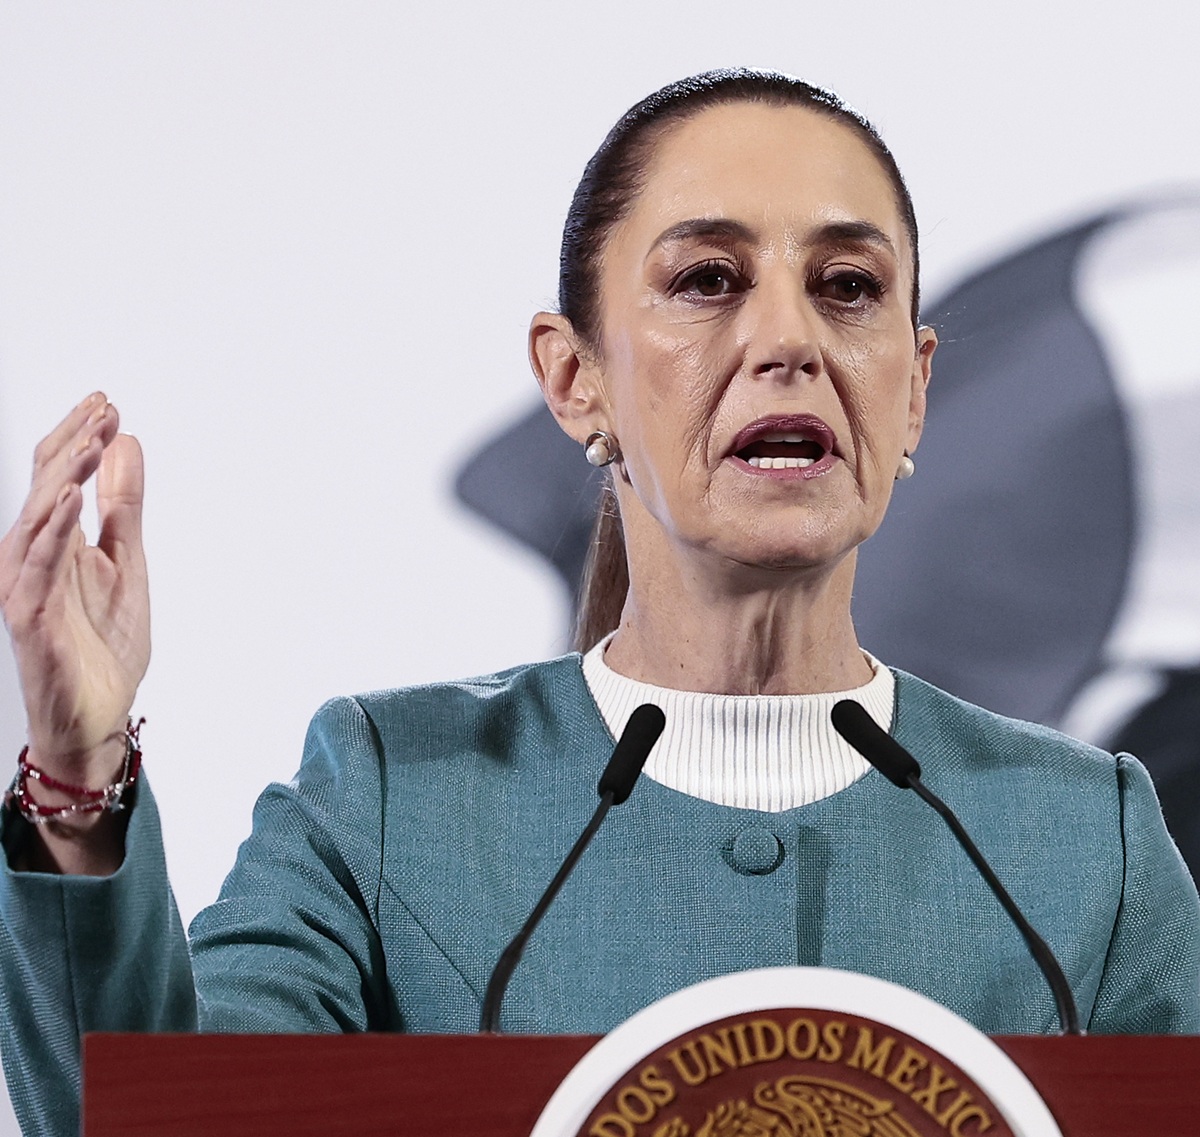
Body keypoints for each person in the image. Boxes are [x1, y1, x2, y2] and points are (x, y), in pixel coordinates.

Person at [1, 69, 1196, 1137]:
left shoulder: (1089, 836)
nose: (788, 338)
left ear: (916, 390)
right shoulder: (388, 795)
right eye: (709, 279)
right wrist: (76, 759)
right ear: (576, 382)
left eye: (846, 286)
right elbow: (149, 1122)